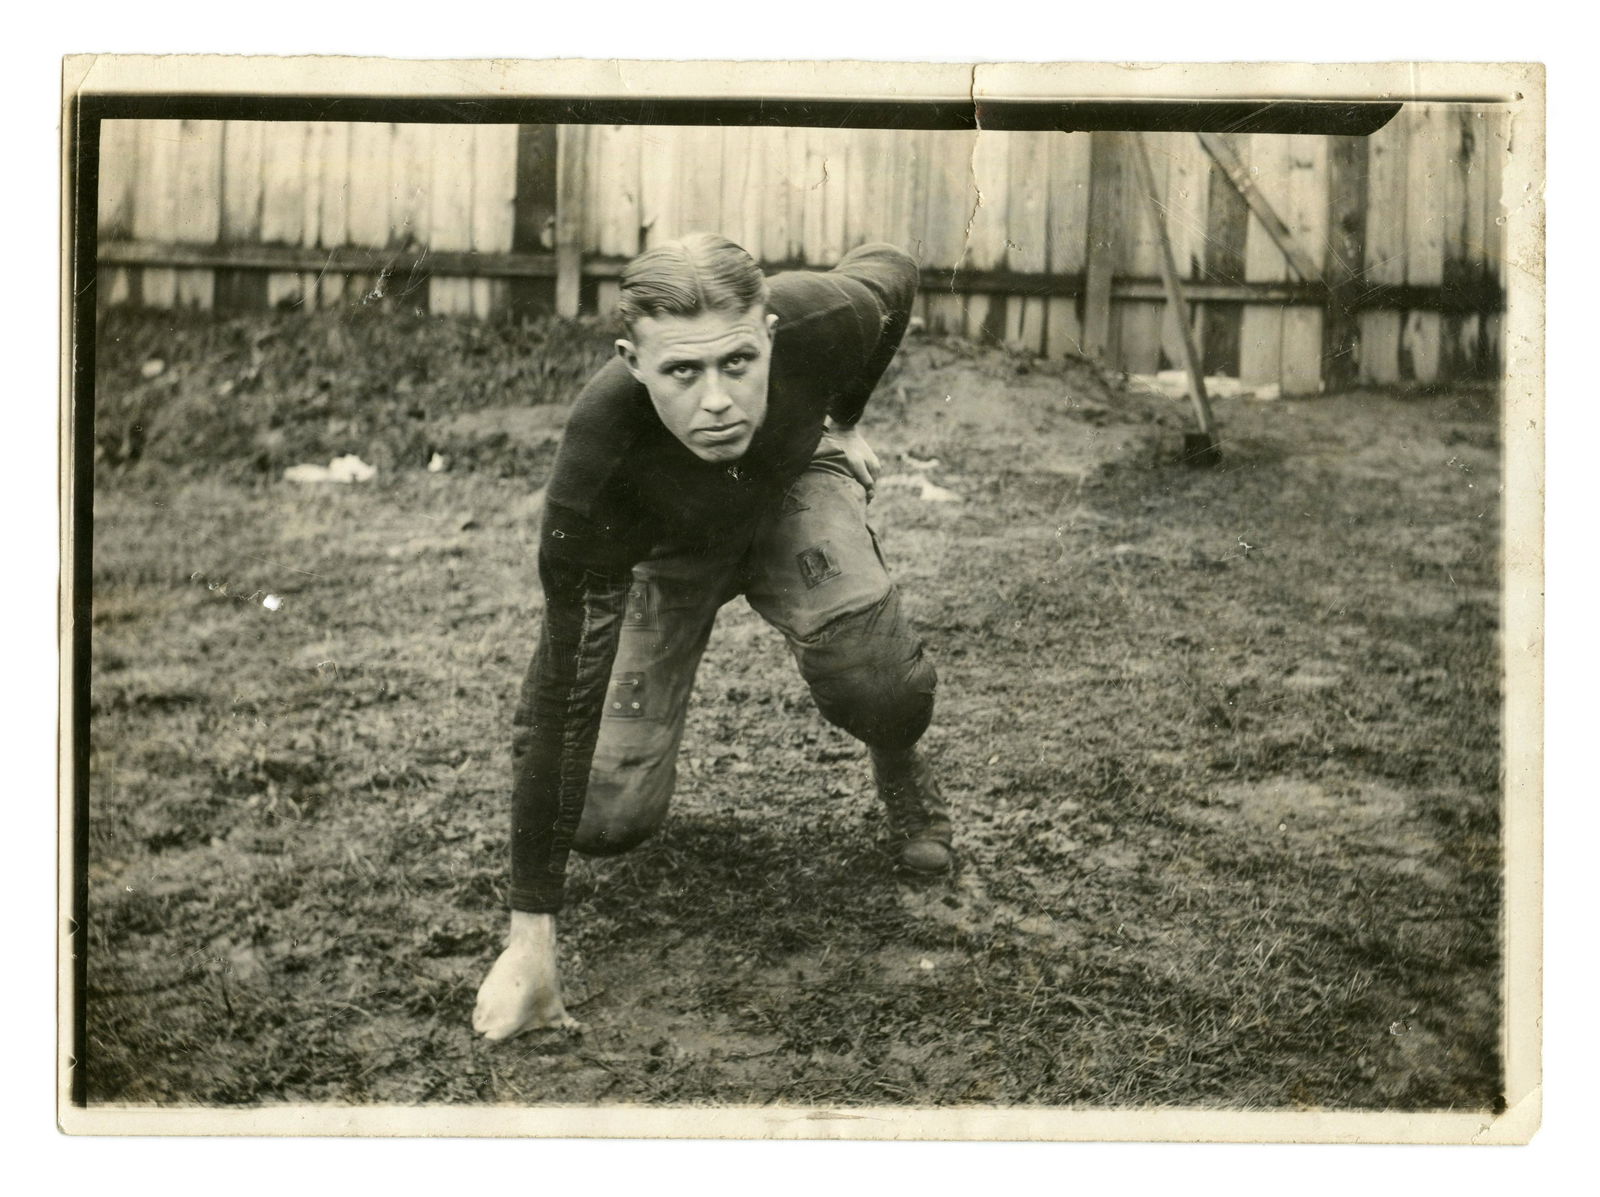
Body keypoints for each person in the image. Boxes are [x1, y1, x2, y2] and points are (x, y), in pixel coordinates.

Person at [473, 233, 950, 1040]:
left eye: (737, 361)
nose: (718, 401)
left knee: (883, 684)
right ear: (633, 362)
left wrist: (845, 417)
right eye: (683, 373)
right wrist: (530, 942)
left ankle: (899, 761)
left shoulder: (823, 314)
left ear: (770, 332)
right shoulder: (595, 464)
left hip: (792, 486)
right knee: (601, 817)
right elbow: (562, 690)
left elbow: (896, 272)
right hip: (666, 552)